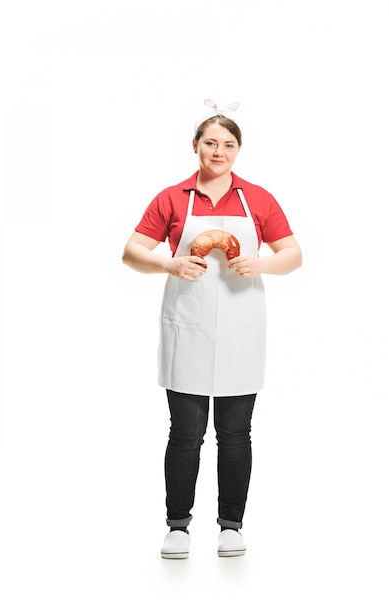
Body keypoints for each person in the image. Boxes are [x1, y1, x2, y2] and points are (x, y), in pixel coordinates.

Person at [122, 101, 302, 559]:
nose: (218, 151)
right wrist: (169, 262)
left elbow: (293, 255)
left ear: (238, 149)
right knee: (185, 432)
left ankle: (231, 525)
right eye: (210, 143)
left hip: (242, 328)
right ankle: (178, 526)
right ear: (195, 146)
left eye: (228, 144)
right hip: (188, 325)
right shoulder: (172, 197)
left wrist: (260, 262)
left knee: (236, 433)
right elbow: (131, 252)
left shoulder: (257, 199)